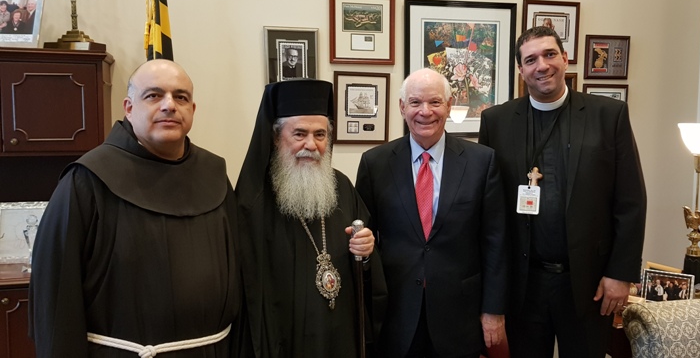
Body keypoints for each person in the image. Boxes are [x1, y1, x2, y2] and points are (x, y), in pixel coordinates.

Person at [28, 59, 242, 357]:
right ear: (129, 108)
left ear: (192, 110)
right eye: (153, 95)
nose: (169, 105)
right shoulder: (86, 181)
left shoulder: (215, 175)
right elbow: (56, 301)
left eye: (181, 97)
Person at [478, 26, 647, 358]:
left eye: (549, 54)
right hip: (524, 285)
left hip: (588, 284)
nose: (542, 65)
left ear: (565, 59)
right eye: (531, 60)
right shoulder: (496, 122)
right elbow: (487, 210)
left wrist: (620, 274)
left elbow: (631, 201)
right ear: (521, 70)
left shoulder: (608, 115)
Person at [355, 68, 507, 358]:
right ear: (402, 107)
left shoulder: (481, 162)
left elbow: (495, 242)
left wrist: (493, 310)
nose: (425, 112)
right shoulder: (375, 163)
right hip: (395, 314)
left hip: (459, 315)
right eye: (415, 102)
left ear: (449, 106)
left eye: (435, 102)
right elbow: (364, 240)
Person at [236, 79, 387, 357]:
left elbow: (369, 274)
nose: (311, 144)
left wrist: (366, 254)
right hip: (285, 338)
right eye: (299, 134)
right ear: (275, 137)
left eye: (320, 135)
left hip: (339, 337)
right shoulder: (254, 202)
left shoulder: (341, 187)